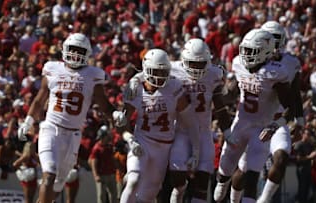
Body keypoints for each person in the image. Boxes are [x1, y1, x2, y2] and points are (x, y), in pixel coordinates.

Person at [17, 33, 123, 203]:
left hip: (73, 135)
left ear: (86, 53)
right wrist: (28, 121)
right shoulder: (53, 69)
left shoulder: (92, 74)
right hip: (50, 129)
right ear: (65, 49)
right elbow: (39, 100)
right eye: (72, 50)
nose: (74, 54)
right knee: (49, 175)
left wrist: (115, 113)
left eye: (79, 51)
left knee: (57, 187)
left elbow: (103, 104)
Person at [124, 38, 231, 203]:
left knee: (202, 181)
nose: (196, 68)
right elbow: (150, 70)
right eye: (192, 63)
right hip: (180, 130)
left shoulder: (214, 73)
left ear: (208, 61)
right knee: (177, 177)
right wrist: (135, 80)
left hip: (203, 131)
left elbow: (220, 103)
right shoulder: (173, 69)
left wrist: (226, 130)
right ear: (184, 60)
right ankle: (178, 194)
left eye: (200, 63)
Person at [213, 28, 295, 202]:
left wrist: (275, 125)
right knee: (223, 175)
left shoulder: (275, 73)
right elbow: (231, 92)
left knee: (251, 175)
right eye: (245, 50)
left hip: (261, 128)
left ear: (265, 51)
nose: (246, 55)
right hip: (241, 124)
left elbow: (291, 107)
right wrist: (217, 92)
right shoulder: (238, 64)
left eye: (251, 51)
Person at [232, 21, 305, 203]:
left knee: (281, 158)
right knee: (244, 170)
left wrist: (300, 121)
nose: (272, 42)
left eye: (276, 38)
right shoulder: (248, 62)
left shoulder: (291, 62)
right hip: (254, 121)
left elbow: (295, 94)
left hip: (278, 120)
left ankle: (263, 200)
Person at [119, 48, 200, 203]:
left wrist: (195, 151)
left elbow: (190, 121)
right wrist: (129, 139)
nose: (160, 76)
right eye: (156, 71)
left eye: (163, 72)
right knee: (133, 180)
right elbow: (123, 121)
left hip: (163, 147)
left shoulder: (174, 87)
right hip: (141, 141)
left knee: (148, 195)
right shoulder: (136, 88)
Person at [89, 125, 118, 203]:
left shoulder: (109, 146)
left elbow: (112, 158)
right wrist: (96, 175)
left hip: (111, 173)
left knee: (114, 195)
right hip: (102, 175)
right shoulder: (97, 148)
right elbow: (93, 162)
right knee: (101, 196)